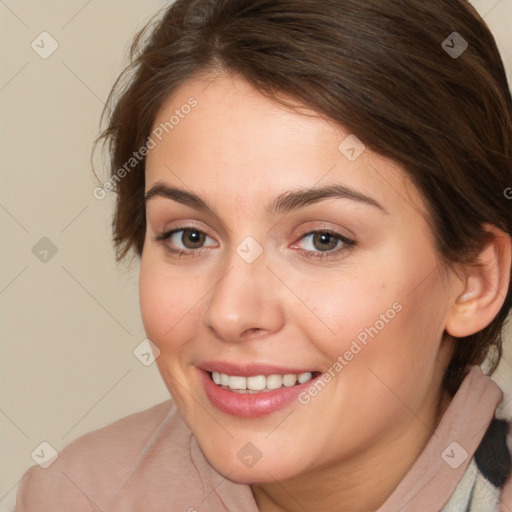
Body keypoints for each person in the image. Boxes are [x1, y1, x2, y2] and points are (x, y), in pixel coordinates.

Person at [15, 0, 512, 510]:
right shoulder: (76, 494)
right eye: (190, 236)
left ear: (475, 279)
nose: (231, 313)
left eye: (323, 240)